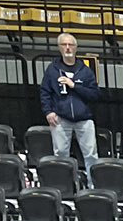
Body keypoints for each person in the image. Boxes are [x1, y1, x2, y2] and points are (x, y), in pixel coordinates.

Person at [40, 33, 98, 171]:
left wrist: (74, 86)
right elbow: (45, 92)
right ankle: (64, 187)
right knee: (60, 155)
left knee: (91, 156)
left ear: (76, 48)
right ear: (59, 47)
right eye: (64, 45)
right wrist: (48, 112)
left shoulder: (85, 71)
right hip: (60, 119)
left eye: (70, 45)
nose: (67, 48)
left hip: (84, 119)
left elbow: (95, 94)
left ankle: (94, 187)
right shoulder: (52, 70)